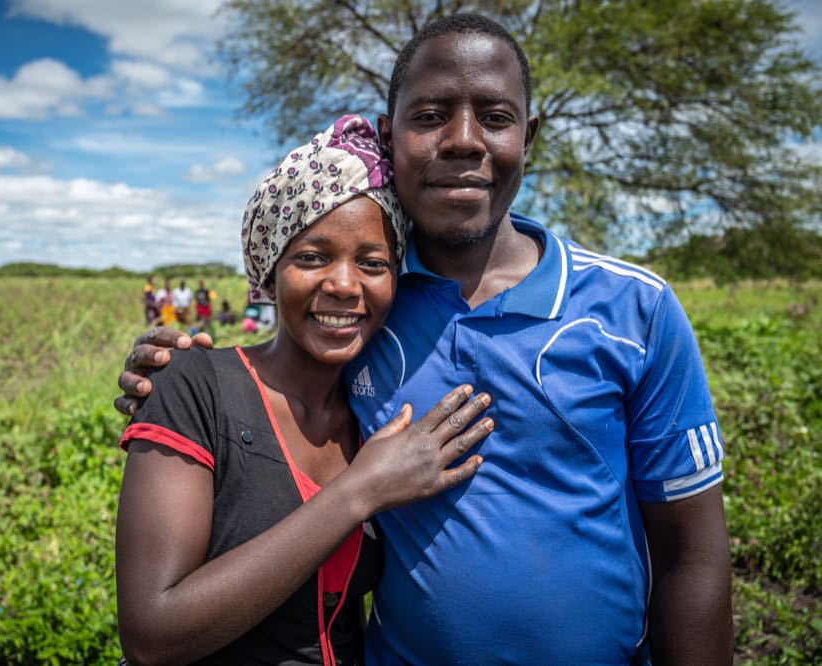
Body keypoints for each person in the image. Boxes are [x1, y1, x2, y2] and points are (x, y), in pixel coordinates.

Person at [115, 14, 733, 664]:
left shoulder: (636, 311)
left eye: (495, 117)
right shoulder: (370, 315)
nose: (464, 140)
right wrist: (175, 374)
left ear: (530, 135)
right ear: (390, 136)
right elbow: (266, 387)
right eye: (431, 115)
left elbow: (691, 556)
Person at [116, 115, 493, 666]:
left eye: (372, 263)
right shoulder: (196, 385)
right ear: (269, 274)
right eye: (313, 257)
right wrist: (357, 492)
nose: (343, 285)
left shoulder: (375, 414)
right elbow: (152, 633)